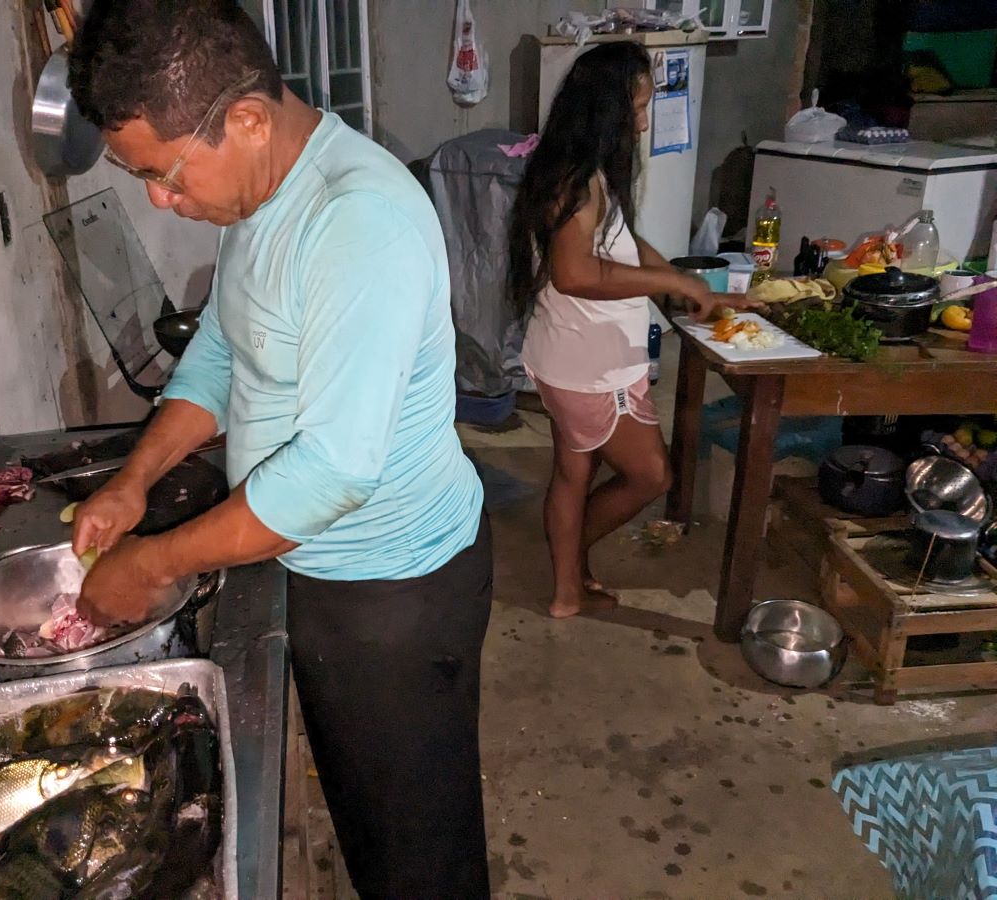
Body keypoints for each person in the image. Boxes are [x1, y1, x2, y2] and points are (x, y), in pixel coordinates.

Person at [67, 2, 492, 897]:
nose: (158, 198)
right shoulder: (258, 196)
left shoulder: (356, 223)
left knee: (419, 850)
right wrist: (134, 484)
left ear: (249, 120)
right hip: (310, 563)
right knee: (363, 810)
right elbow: (222, 352)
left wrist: (151, 565)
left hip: (393, 592)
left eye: (164, 172)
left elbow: (335, 470)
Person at [508, 42, 755, 620]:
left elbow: (620, 242)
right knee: (650, 474)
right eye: (637, 108)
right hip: (587, 364)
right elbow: (575, 273)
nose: (644, 122)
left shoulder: (587, 169)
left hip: (571, 354)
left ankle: (568, 583)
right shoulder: (574, 180)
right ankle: (568, 572)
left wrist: (677, 281)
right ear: (606, 109)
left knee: (575, 472)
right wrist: (680, 287)